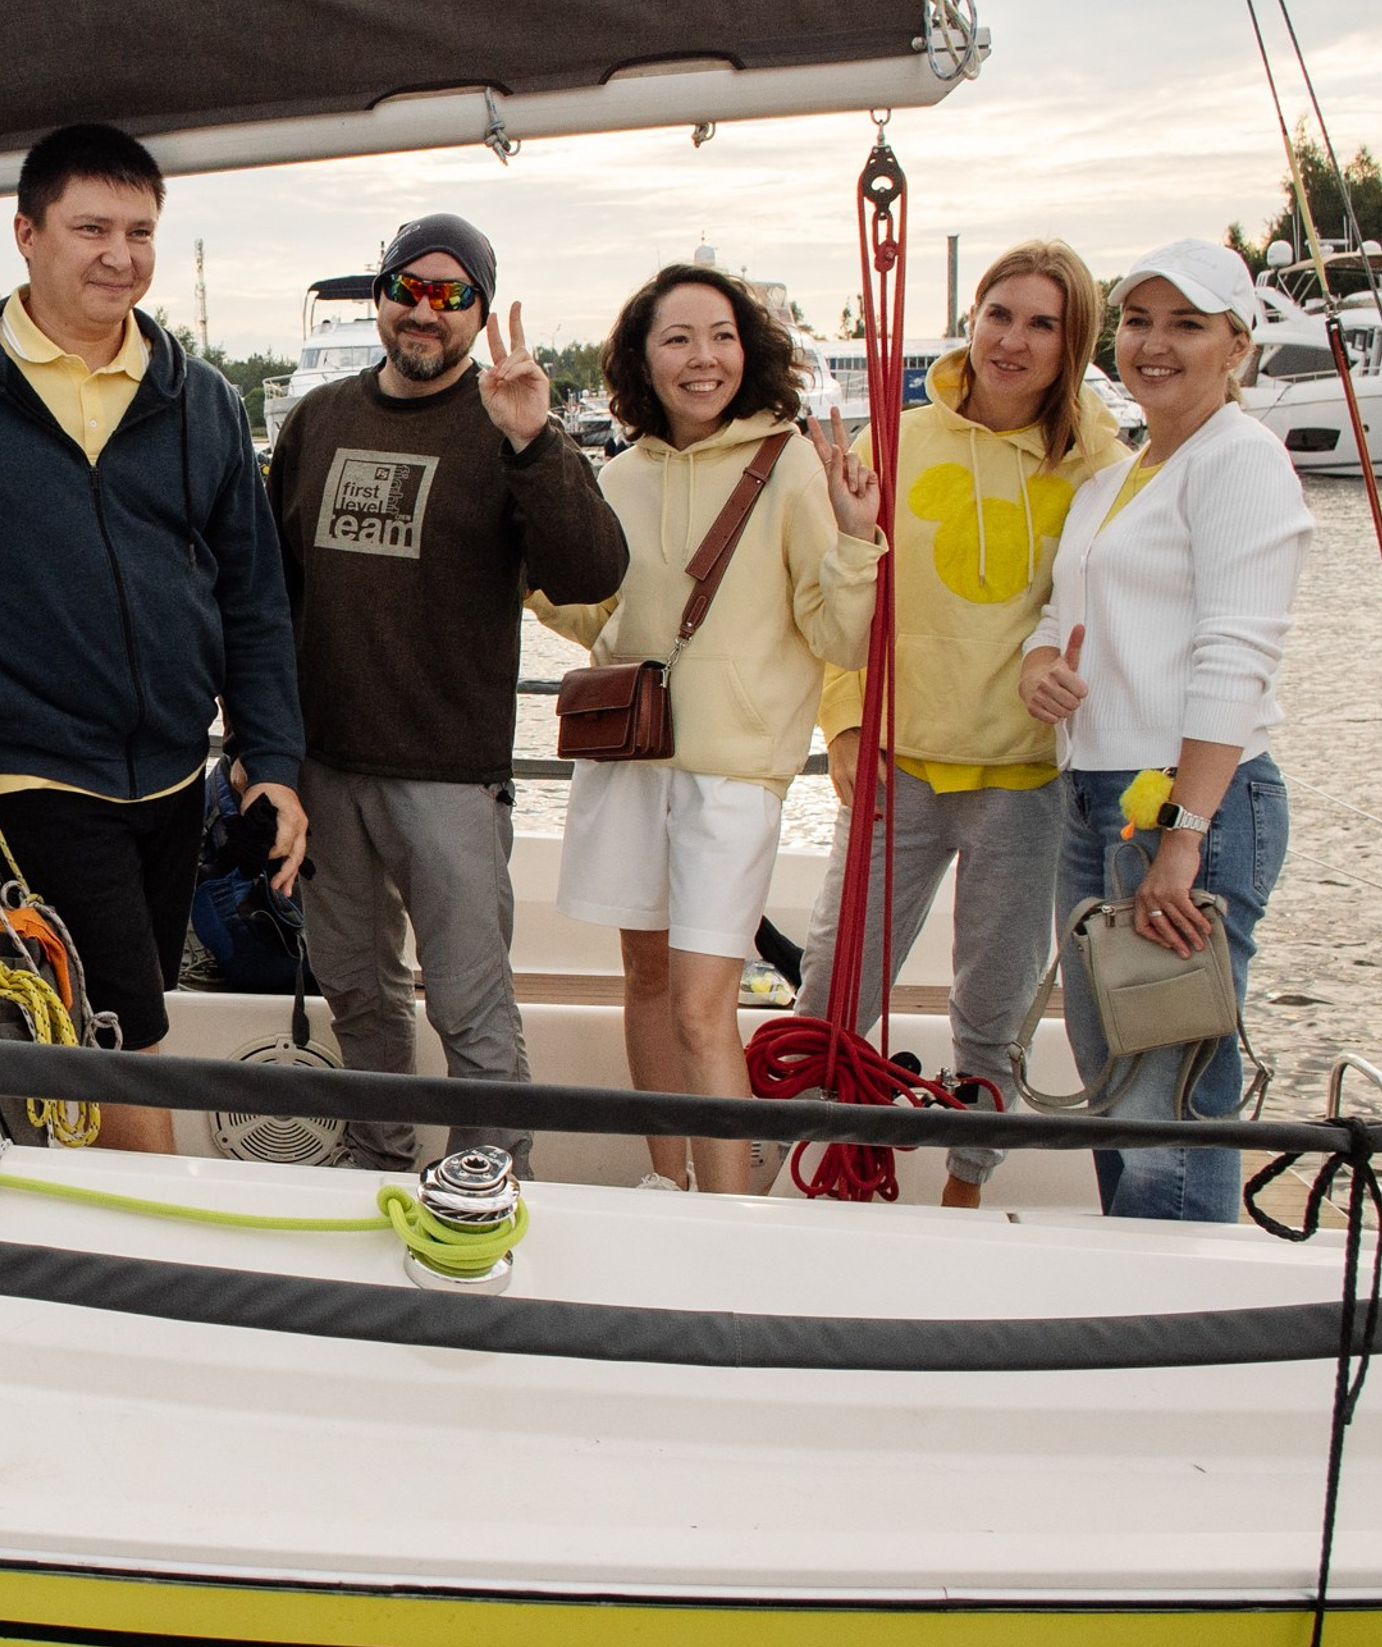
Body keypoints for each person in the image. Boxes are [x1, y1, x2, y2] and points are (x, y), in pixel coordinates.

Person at [0, 122, 306, 1152]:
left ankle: (87, 1206)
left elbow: (254, 598)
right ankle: (166, 1239)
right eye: (91, 228)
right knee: (125, 1036)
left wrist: (270, 758)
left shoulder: (202, 401)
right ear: (27, 234)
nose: (120, 256)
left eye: (139, 232)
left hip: (173, 779)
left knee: (119, 1011)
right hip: (33, 774)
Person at [268, 214, 626, 1170]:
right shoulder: (317, 421)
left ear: (479, 310)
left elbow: (591, 572)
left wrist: (534, 442)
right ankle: (377, 1163)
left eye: (452, 294)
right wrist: (263, 753)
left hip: (450, 779)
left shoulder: (507, 426)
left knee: (471, 1009)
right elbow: (269, 596)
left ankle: (491, 1186)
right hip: (324, 768)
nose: (426, 312)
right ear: (381, 296)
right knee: (358, 994)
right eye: (408, 289)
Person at [541, 263, 883, 1195]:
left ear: (749, 351)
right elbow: (596, 615)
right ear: (642, 360)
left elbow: (841, 636)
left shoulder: (792, 465)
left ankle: (729, 1214)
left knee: (702, 1008)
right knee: (645, 987)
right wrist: (527, 565)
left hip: (734, 774)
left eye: (723, 336)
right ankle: (667, 1185)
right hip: (630, 760)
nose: (705, 358)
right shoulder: (618, 477)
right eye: (680, 339)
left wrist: (857, 539)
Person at [801, 240, 1127, 1207]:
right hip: (897, 764)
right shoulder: (895, 440)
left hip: (1026, 781)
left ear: (1072, 345)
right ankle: (823, 1170)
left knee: (991, 1008)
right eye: (999, 315)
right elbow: (846, 593)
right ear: (972, 320)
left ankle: (965, 1187)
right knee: (831, 991)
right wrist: (844, 724)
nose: (1012, 341)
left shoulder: (1101, 467)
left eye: (1042, 324)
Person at [1021, 238, 1313, 1223]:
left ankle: (1181, 1299)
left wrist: (1184, 836)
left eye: (1186, 324)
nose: (1153, 343)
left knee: (1168, 1102)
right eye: (1138, 321)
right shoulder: (1116, 479)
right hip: (1095, 799)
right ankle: (1135, 1283)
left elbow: (1236, 653)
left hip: (1185, 807)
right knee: (1113, 1083)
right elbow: (1055, 618)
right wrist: (1038, 668)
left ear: (1236, 346)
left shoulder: (1241, 462)